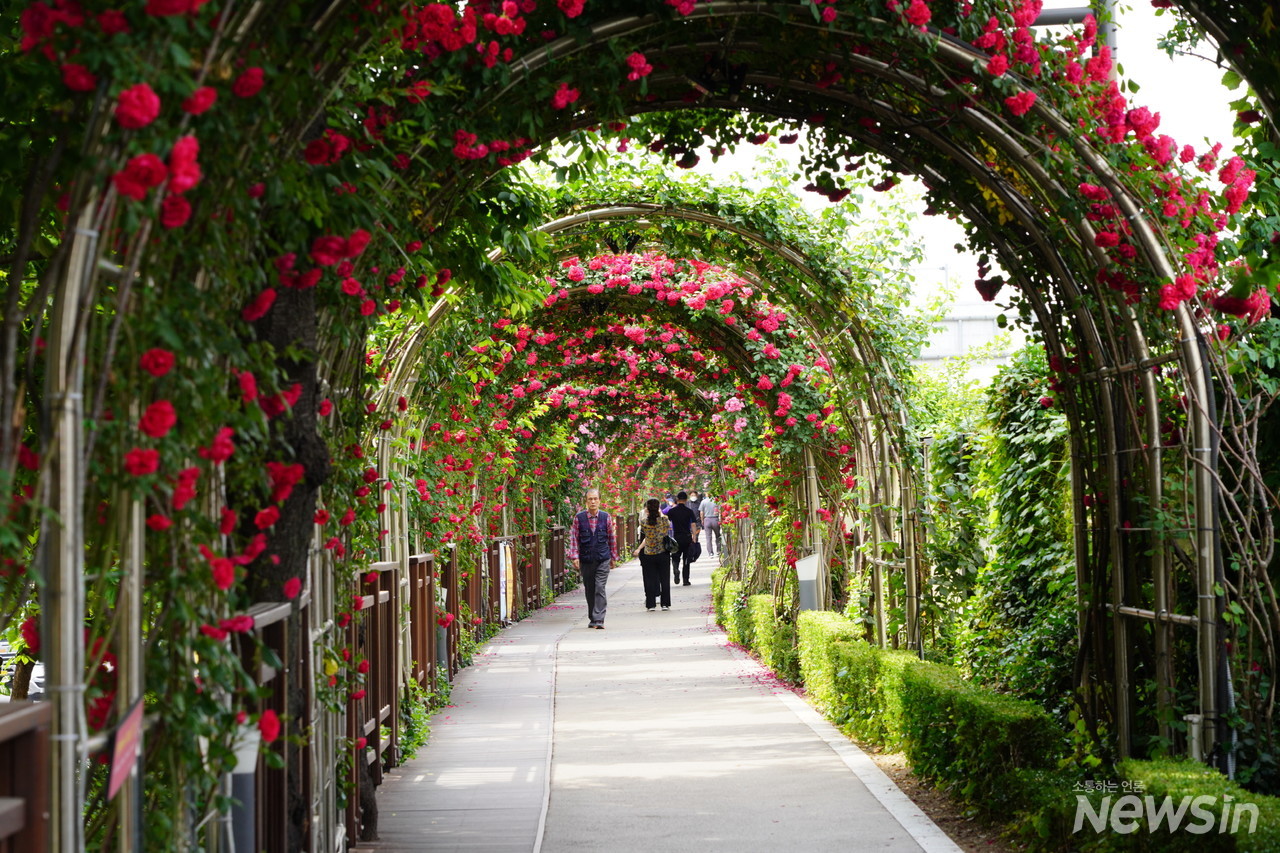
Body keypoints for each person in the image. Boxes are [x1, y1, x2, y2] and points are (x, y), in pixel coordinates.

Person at [568, 488, 617, 629]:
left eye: (595, 499)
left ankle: (599, 619)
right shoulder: (579, 518)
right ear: (586, 502)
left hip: (603, 558)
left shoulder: (606, 517)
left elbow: (611, 538)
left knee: (600, 587)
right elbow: (574, 538)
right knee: (590, 588)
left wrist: (613, 557)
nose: (593, 502)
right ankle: (593, 617)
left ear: (600, 500)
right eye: (590, 499)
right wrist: (575, 556)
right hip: (586, 559)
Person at [632, 498, 673, 611]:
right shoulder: (665, 520)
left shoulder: (644, 522)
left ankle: (651, 604)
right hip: (662, 552)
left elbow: (645, 535)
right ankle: (665, 603)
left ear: (647, 509)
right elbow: (666, 531)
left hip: (649, 553)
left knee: (649, 579)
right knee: (664, 579)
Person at [665, 491, 699, 586]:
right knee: (686, 559)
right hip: (687, 537)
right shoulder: (689, 511)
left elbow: (667, 523)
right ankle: (685, 580)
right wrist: (694, 537)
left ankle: (676, 567)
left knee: (676, 556)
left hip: (676, 537)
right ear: (686, 499)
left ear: (677, 499)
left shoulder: (672, 511)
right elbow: (693, 524)